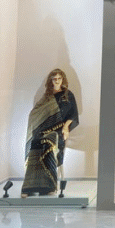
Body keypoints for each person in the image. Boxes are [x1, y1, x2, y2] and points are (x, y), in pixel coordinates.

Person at [21, 69, 79, 197]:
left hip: (58, 131)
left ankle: (47, 187)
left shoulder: (68, 94)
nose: (57, 81)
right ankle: (29, 187)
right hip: (43, 130)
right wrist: (36, 125)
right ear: (51, 81)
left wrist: (66, 127)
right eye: (54, 79)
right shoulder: (47, 96)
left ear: (63, 79)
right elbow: (35, 113)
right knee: (35, 144)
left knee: (48, 143)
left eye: (59, 78)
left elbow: (73, 114)